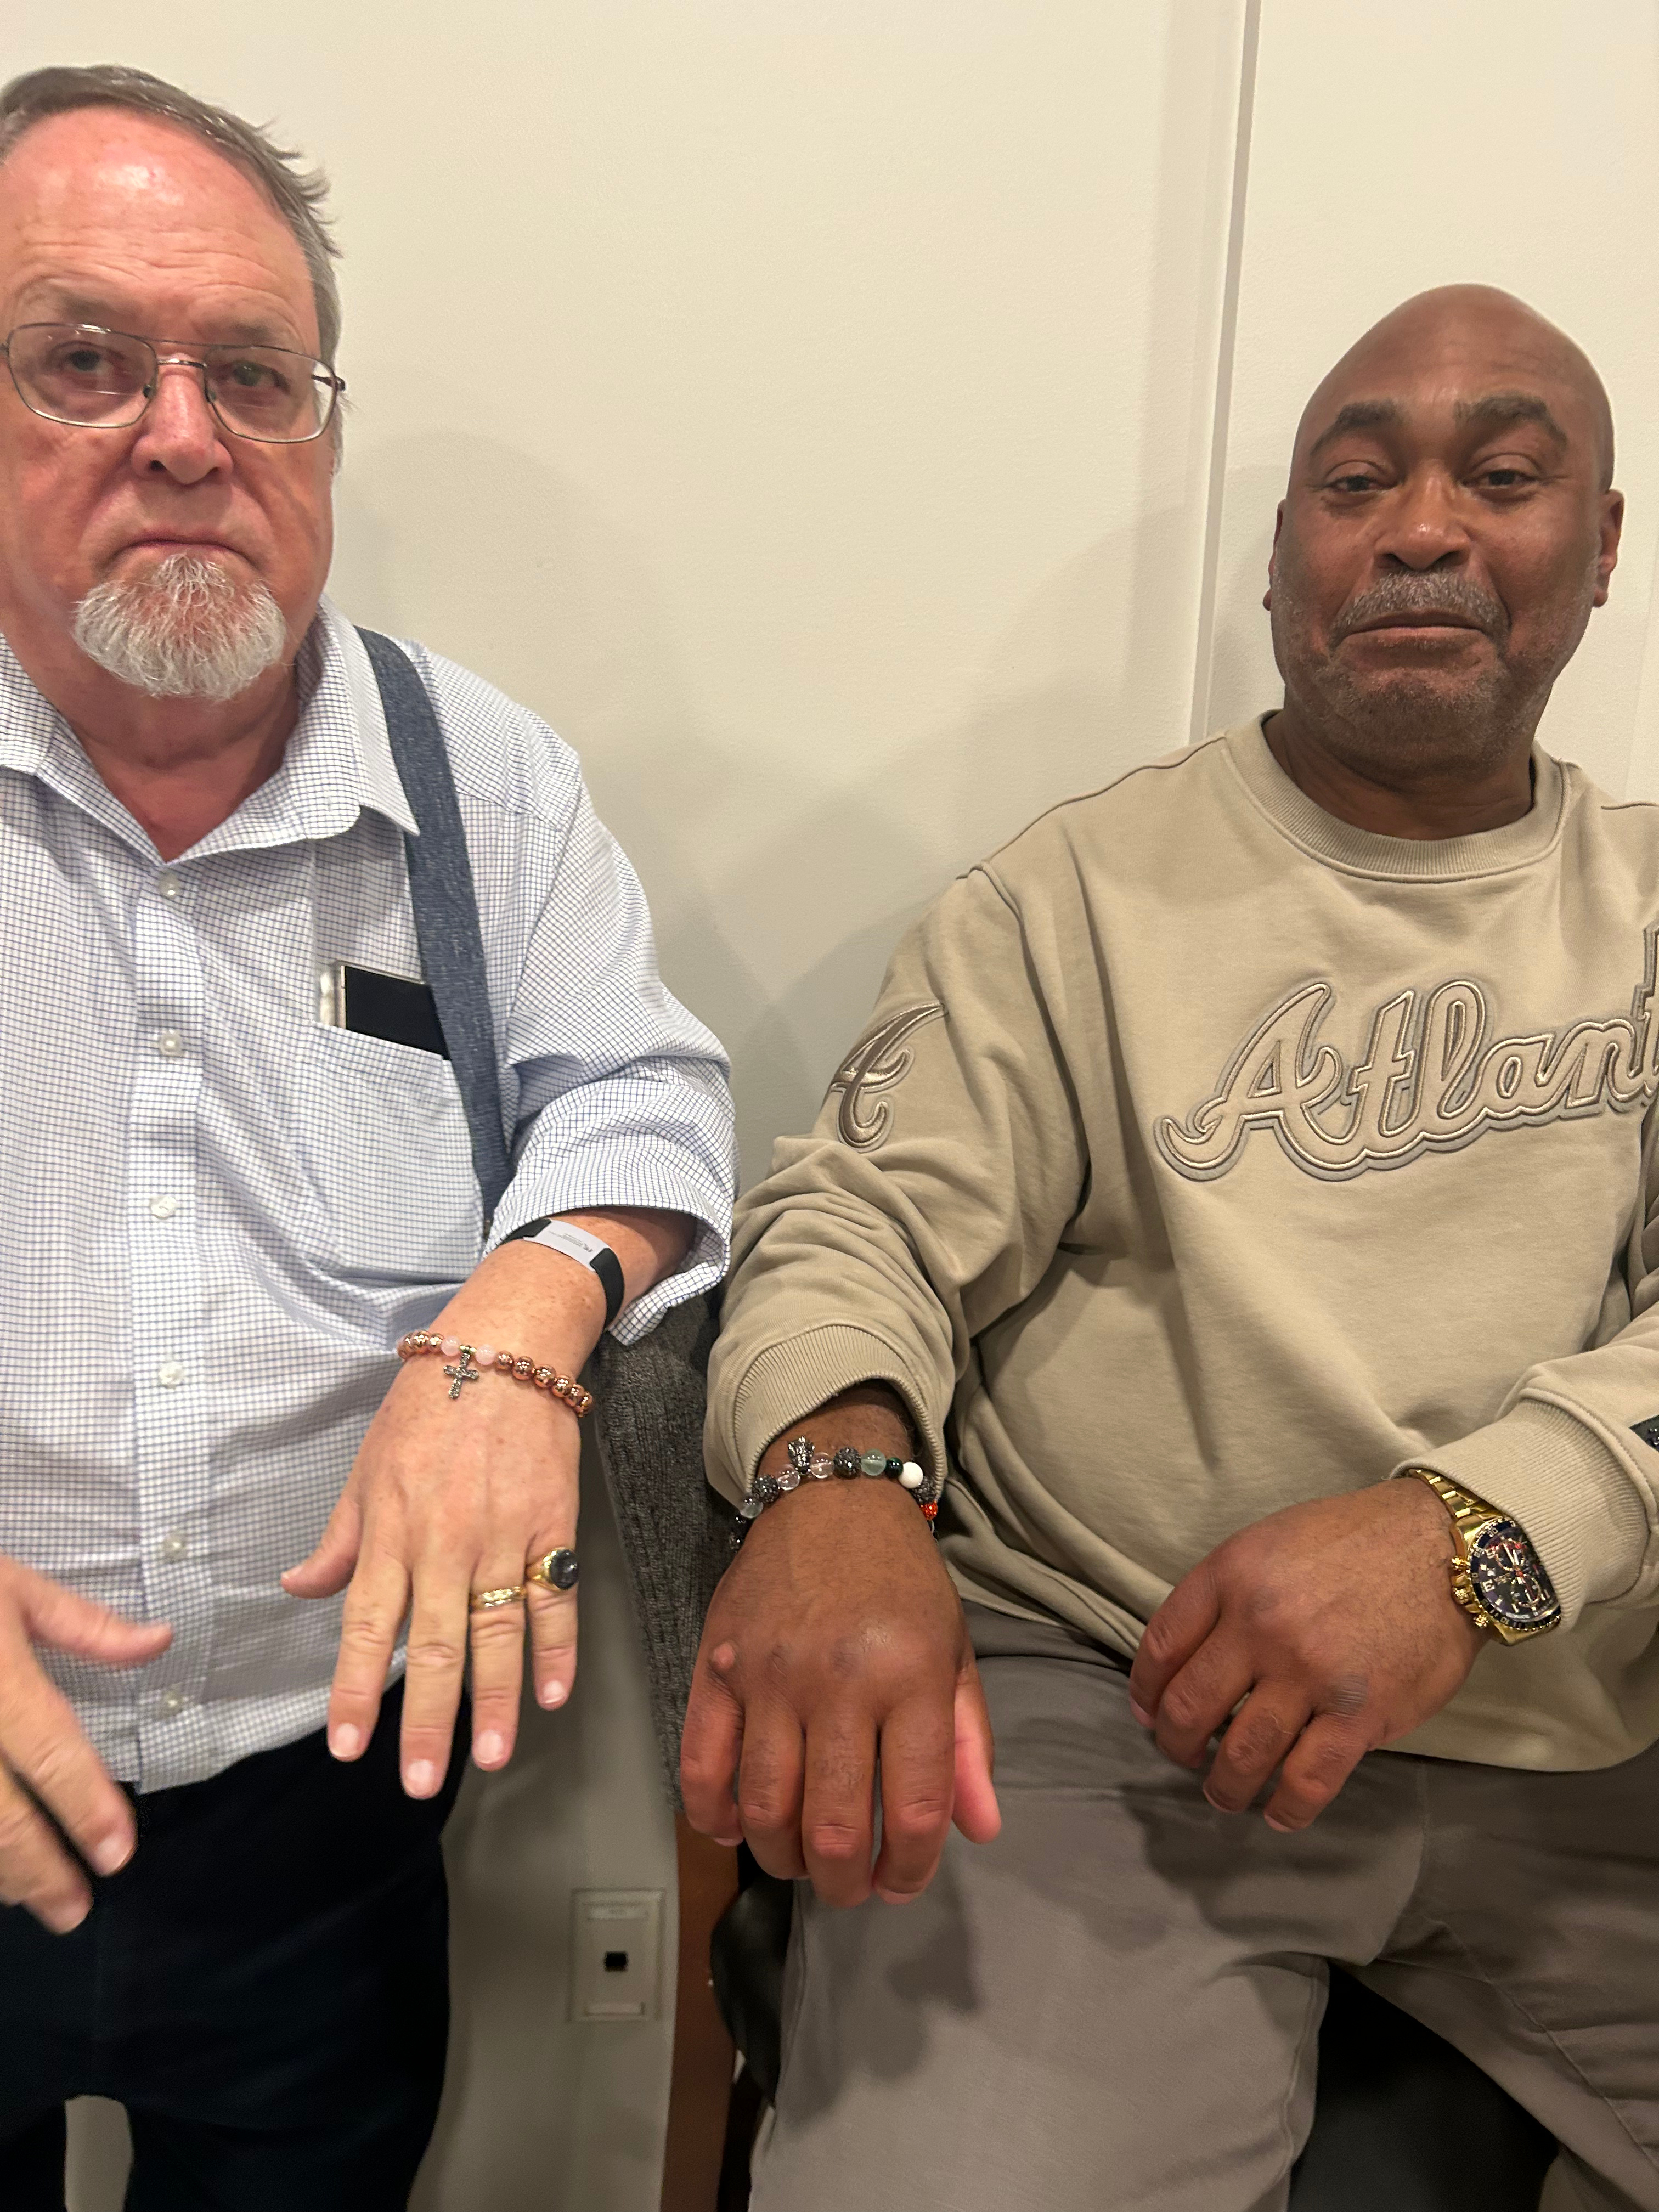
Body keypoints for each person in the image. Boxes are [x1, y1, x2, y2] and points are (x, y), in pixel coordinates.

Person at [686, 283, 1659, 2211]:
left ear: (1605, 545)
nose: (1425, 526)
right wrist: (842, 1486)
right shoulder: (1074, 899)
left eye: (1506, 474)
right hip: (1120, 1734)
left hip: (1590, 1758)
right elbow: (849, 1223)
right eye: (1355, 478)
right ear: (1287, 563)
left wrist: (1480, 1531)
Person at [0, 62, 733, 2210]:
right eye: (79, 360)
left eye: (254, 371)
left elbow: (646, 1096)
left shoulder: (475, 777)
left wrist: (521, 1324)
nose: (182, 431)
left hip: (317, 1824)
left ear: (323, 425)